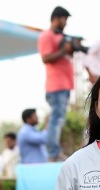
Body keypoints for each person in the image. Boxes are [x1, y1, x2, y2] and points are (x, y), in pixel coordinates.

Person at [38, 6, 76, 161]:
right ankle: (53, 153)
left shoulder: (62, 36)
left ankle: (54, 151)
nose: (65, 22)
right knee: (56, 119)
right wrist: (64, 50)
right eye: (64, 19)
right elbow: (45, 58)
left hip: (65, 85)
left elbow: (70, 53)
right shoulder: (46, 36)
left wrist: (71, 48)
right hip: (56, 85)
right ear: (57, 18)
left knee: (58, 119)